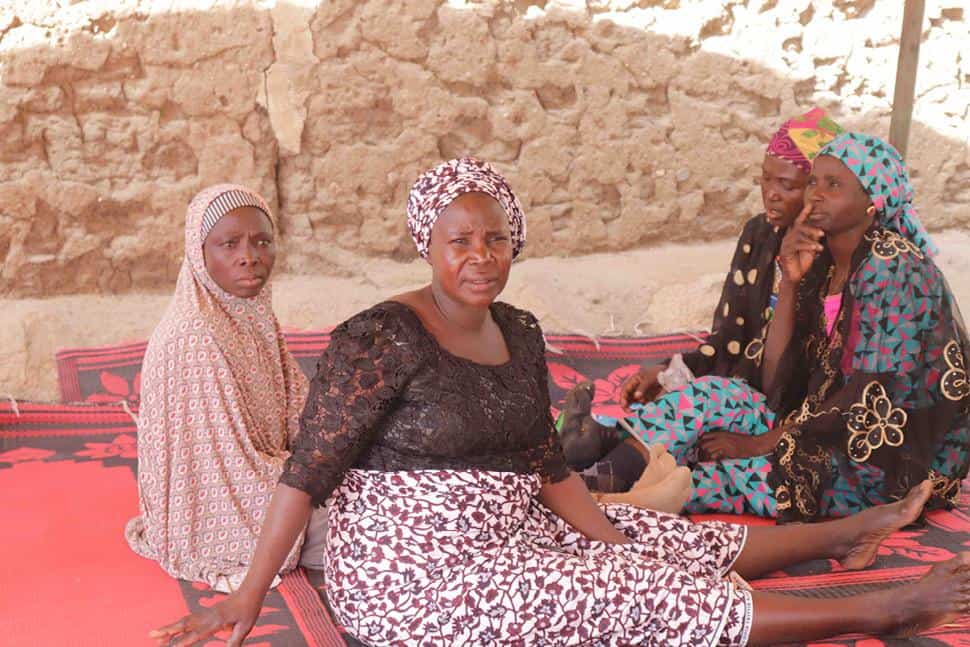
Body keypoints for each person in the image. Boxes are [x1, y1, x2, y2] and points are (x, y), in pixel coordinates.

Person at [152, 159, 970, 647]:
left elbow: (544, 458)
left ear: (514, 241)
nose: (479, 257)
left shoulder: (519, 328)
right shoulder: (380, 336)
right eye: (458, 241)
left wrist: (613, 534)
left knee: (656, 537)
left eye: (494, 238)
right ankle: (893, 602)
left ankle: (853, 530)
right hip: (418, 576)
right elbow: (304, 472)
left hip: (511, 522)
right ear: (426, 246)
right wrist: (247, 593)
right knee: (637, 593)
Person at [618, 133, 970, 520]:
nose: (816, 194)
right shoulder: (823, 261)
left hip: (878, 462)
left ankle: (616, 502)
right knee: (708, 396)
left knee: (713, 479)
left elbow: (866, 397)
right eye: (814, 181)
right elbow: (774, 382)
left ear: (873, 201)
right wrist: (789, 282)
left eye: (834, 185)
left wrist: (760, 444)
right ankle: (603, 467)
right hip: (812, 427)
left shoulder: (893, 268)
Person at [561, 108, 843, 508]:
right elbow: (729, 338)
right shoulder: (759, 235)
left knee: (701, 429)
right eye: (764, 178)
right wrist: (671, 371)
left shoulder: (838, 263)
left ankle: (599, 474)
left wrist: (759, 439)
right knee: (687, 411)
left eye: (786, 184)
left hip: (794, 422)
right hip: (749, 399)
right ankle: (600, 459)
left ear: (818, 190)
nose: (771, 193)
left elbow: (841, 392)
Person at [126, 184, 324, 592]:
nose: (249, 256)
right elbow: (231, 473)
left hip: (276, 476)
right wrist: (315, 479)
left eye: (261, 242)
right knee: (381, 522)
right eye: (228, 244)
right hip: (234, 510)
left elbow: (299, 410)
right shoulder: (194, 339)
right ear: (199, 255)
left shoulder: (249, 316)